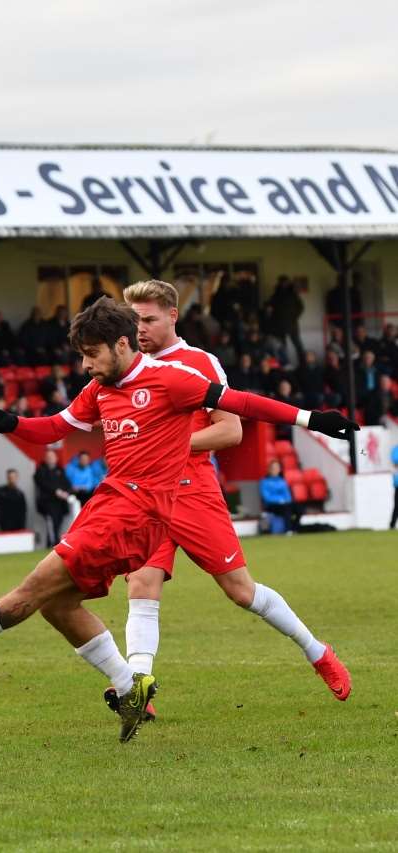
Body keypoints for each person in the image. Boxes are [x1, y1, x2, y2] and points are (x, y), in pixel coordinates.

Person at [0, 296, 357, 743]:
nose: (85, 365)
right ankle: (130, 687)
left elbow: (242, 405)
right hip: (110, 505)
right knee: (57, 605)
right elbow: (57, 428)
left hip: (141, 512)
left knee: (39, 586)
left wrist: (313, 420)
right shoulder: (100, 389)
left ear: (123, 343)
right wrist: (13, 425)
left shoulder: (174, 377)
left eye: (91, 355)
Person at [108, 279, 350, 720]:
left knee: (241, 591)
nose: (139, 329)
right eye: (134, 320)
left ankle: (318, 653)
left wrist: (168, 444)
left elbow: (231, 430)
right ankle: (137, 690)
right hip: (146, 493)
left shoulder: (199, 362)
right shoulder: (127, 368)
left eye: (148, 319)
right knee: (141, 585)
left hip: (193, 489)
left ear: (172, 316)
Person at [33, 449, 73, 548]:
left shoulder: (60, 470)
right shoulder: (40, 470)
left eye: (52, 457)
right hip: (47, 503)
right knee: (51, 523)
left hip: (60, 503)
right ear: (45, 459)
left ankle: (56, 542)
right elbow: (42, 483)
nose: (51, 459)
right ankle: (52, 544)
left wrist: (66, 492)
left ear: (56, 458)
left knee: (58, 523)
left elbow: (67, 484)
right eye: (48, 457)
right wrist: (56, 491)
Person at [260, 459, 294, 534]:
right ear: (269, 470)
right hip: (271, 506)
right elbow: (266, 497)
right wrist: (279, 500)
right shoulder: (265, 482)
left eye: (277, 468)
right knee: (286, 508)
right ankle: (288, 530)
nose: (275, 470)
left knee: (299, 509)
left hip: (284, 504)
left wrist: (286, 501)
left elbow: (287, 495)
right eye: (273, 468)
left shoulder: (282, 481)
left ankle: (295, 527)